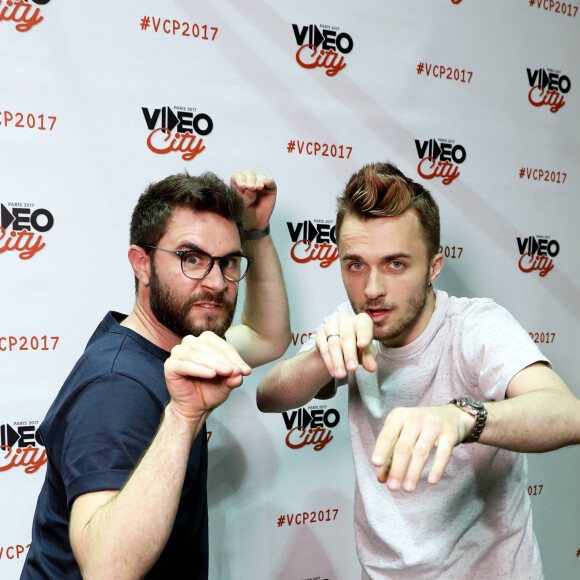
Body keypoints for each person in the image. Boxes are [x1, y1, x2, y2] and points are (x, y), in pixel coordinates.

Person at [257, 161, 580, 579]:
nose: (372, 289)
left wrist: (463, 417)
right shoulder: (351, 324)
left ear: (434, 267)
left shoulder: (474, 326)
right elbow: (270, 395)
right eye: (355, 265)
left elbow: (567, 414)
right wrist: (321, 357)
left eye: (396, 264)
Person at [21, 169, 290, 579]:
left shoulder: (180, 347)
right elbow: (106, 572)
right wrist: (182, 418)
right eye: (192, 258)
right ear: (142, 264)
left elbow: (266, 337)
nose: (216, 282)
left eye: (229, 261)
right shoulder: (117, 386)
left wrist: (256, 231)